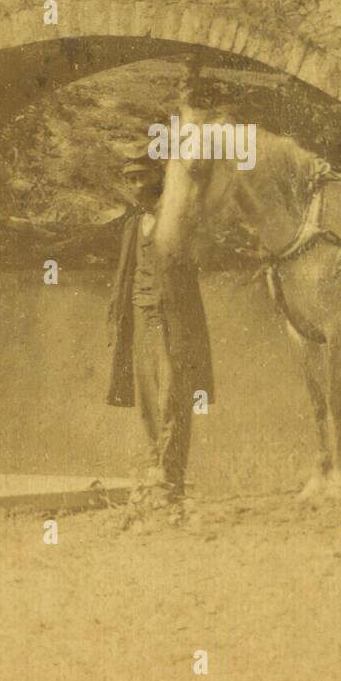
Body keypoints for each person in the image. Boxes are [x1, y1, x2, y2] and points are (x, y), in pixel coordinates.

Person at [107, 151, 213, 505]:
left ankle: (171, 479)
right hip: (140, 318)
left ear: (159, 177)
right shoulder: (133, 226)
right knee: (148, 401)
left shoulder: (179, 221)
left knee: (174, 397)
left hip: (172, 318)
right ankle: (155, 472)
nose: (138, 184)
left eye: (143, 176)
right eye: (131, 178)